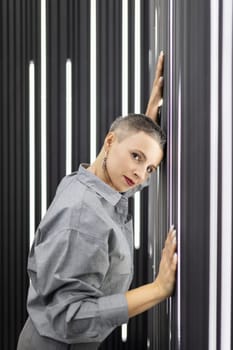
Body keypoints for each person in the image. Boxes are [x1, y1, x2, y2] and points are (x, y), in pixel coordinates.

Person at [17, 52, 177, 350]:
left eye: (150, 168)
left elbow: (120, 187)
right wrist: (158, 289)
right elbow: (68, 318)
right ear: (110, 141)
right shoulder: (81, 214)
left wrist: (146, 123)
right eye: (136, 157)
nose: (140, 175)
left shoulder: (86, 182)